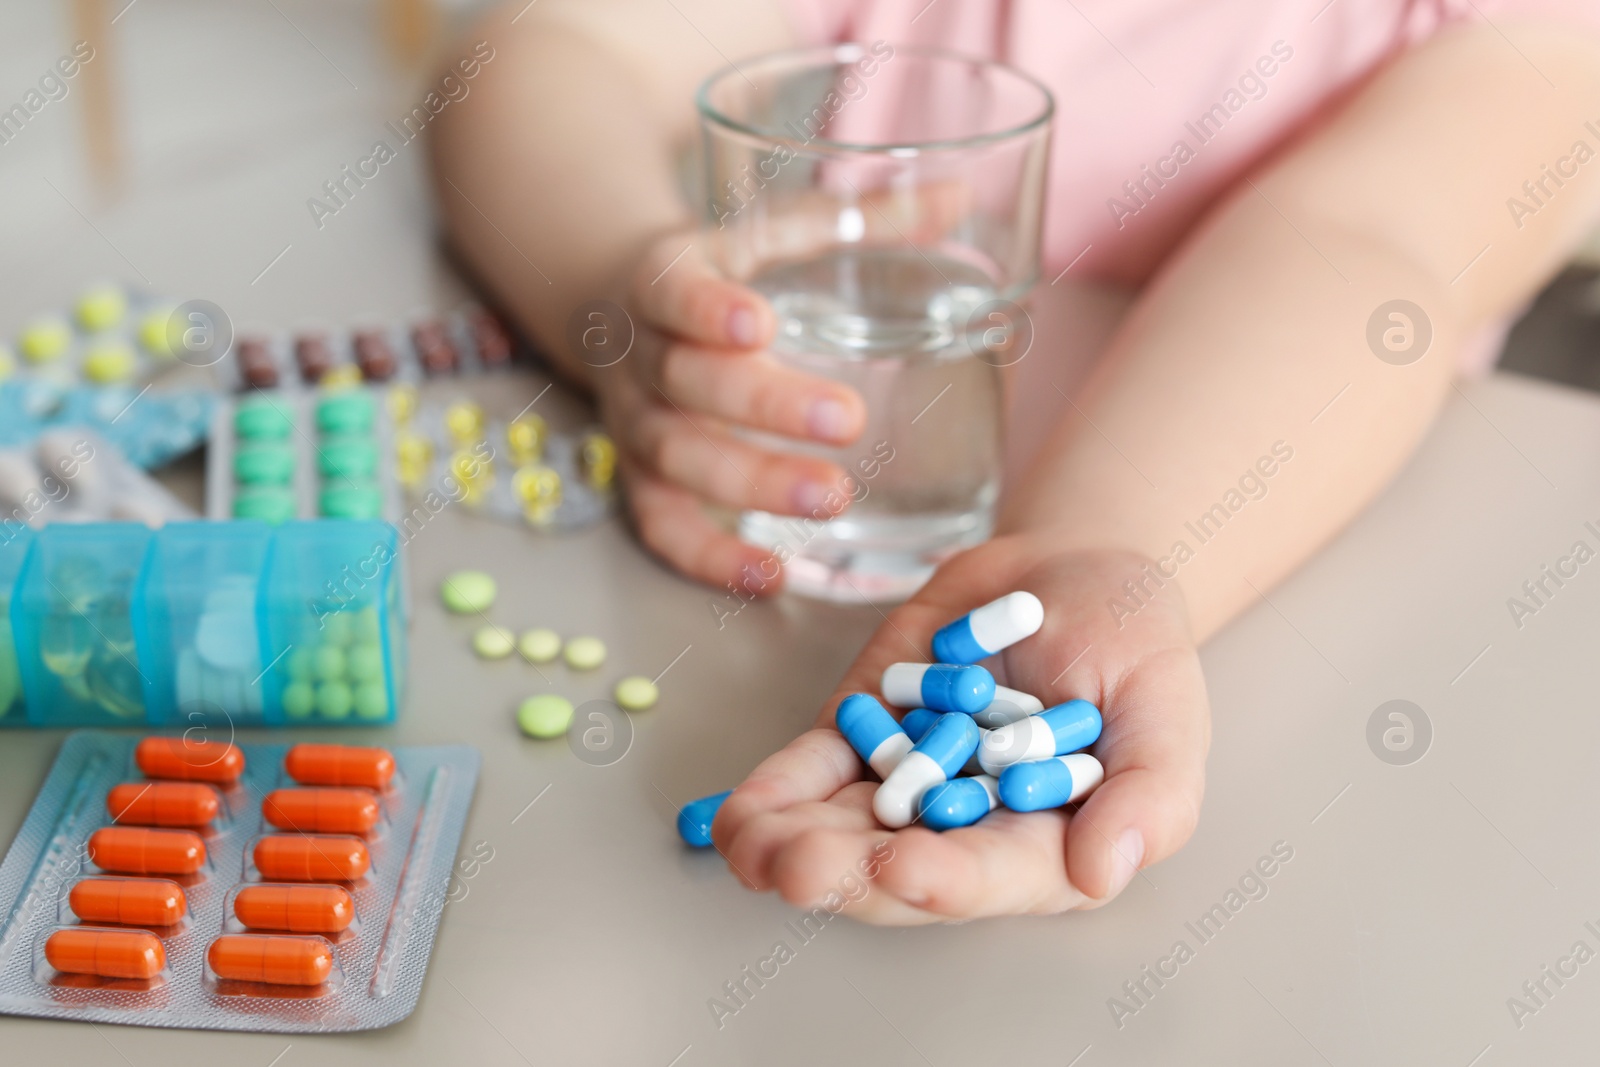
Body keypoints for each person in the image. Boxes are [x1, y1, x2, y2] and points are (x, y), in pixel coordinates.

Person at [430, 0, 1600, 922]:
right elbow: (546, 53)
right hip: (776, 567)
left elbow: (1359, 248)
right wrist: (621, 298)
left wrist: (1098, 549)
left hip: (1276, 639)